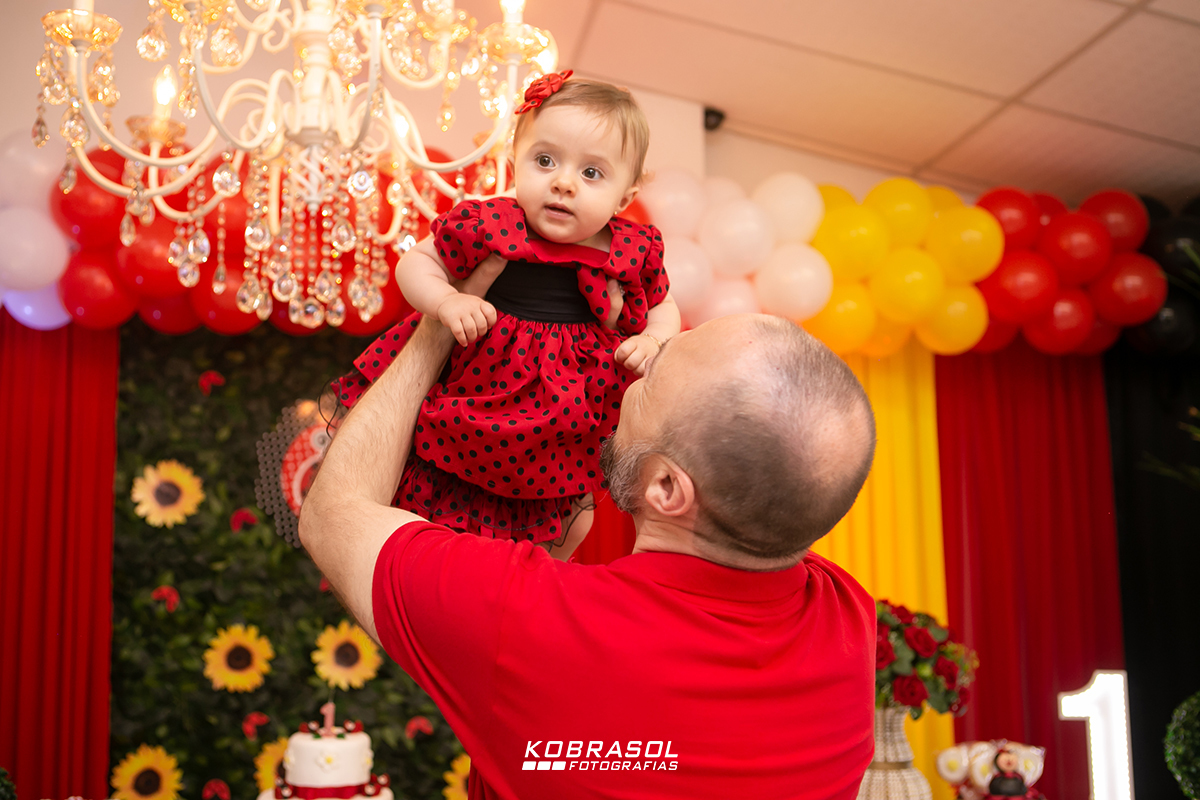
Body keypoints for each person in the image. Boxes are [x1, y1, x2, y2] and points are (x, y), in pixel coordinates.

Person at [300, 302, 880, 800]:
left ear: (666, 489)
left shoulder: (520, 618)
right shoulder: (849, 617)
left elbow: (331, 518)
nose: (634, 370)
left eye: (651, 381)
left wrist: (434, 330)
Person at [333, 72, 680, 560]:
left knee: (572, 517)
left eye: (592, 173)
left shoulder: (633, 249)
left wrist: (656, 339)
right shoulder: (489, 222)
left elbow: (664, 304)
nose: (562, 182)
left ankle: (534, 577)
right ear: (514, 162)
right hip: (479, 385)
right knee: (427, 488)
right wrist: (446, 301)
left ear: (624, 198)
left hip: (564, 414)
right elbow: (417, 262)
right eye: (545, 161)